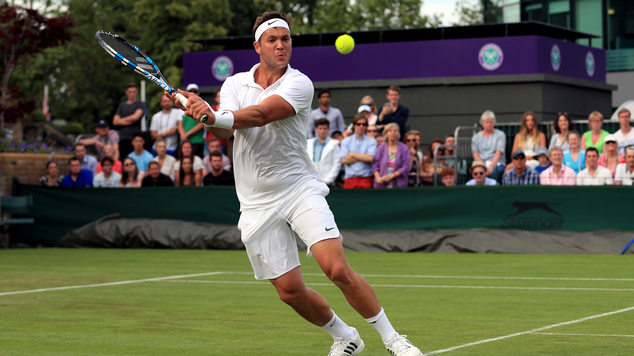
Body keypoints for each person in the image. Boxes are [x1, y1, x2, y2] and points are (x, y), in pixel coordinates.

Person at [168, 11, 422, 356]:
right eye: (272, 40)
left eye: (285, 39)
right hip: (255, 200)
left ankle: (394, 340)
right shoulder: (234, 84)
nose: (280, 45)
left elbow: (261, 115)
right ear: (257, 46)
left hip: (298, 187)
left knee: (335, 267)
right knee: (289, 291)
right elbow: (225, 130)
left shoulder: (299, 83)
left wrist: (210, 114)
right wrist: (202, 114)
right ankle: (346, 336)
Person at [340, 114, 377, 189]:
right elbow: (344, 160)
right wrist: (364, 157)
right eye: (358, 124)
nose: (361, 126)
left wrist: (352, 154)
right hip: (350, 179)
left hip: (366, 179)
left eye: (364, 124)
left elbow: (370, 158)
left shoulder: (372, 141)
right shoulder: (345, 141)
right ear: (354, 125)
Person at [372, 123, 409, 188]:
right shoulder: (381, 148)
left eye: (395, 130)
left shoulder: (404, 148)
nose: (393, 132)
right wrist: (378, 178)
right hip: (382, 183)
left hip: (398, 184)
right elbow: (375, 165)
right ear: (386, 133)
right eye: (390, 131)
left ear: (398, 133)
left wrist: (392, 176)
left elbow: (406, 167)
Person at [471, 110, 506, 181]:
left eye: (491, 122)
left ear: (494, 122)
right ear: (482, 123)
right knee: (478, 172)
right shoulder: (476, 137)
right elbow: (475, 154)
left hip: (497, 163)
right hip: (480, 163)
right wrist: (483, 167)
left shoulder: (500, 134)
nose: (489, 124)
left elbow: (498, 153)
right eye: (486, 122)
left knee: (494, 173)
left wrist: (491, 167)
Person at [113, 82, 145, 159]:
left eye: (134, 92)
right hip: (123, 139)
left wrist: (121, 120)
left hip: (134, 139)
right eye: (130, 92)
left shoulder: (140, 104)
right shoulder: (122, 105)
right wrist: (130, 119)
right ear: (126, 92)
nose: (132, 94)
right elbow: (115, 121)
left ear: (137, 92)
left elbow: (135, 117)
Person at [306, 118, 341, 187]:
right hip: (310, 180)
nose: (322, 131)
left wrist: (328, 180)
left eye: (325, 129)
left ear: (328, 129)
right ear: (316, 129)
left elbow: (337, 164)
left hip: (327, 182)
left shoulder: (334, 144)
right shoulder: (308, 143)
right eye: (320, 128)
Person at [178, 83, 206, 158]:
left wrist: (185, 135)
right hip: (184, 142)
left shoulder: (203, 106)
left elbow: (201, 124)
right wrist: (183, 135)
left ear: (198, 93)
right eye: (190, 92)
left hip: (197, 141)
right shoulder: (181, 107)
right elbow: (180, 124)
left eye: (195, 92)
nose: (193, 94)